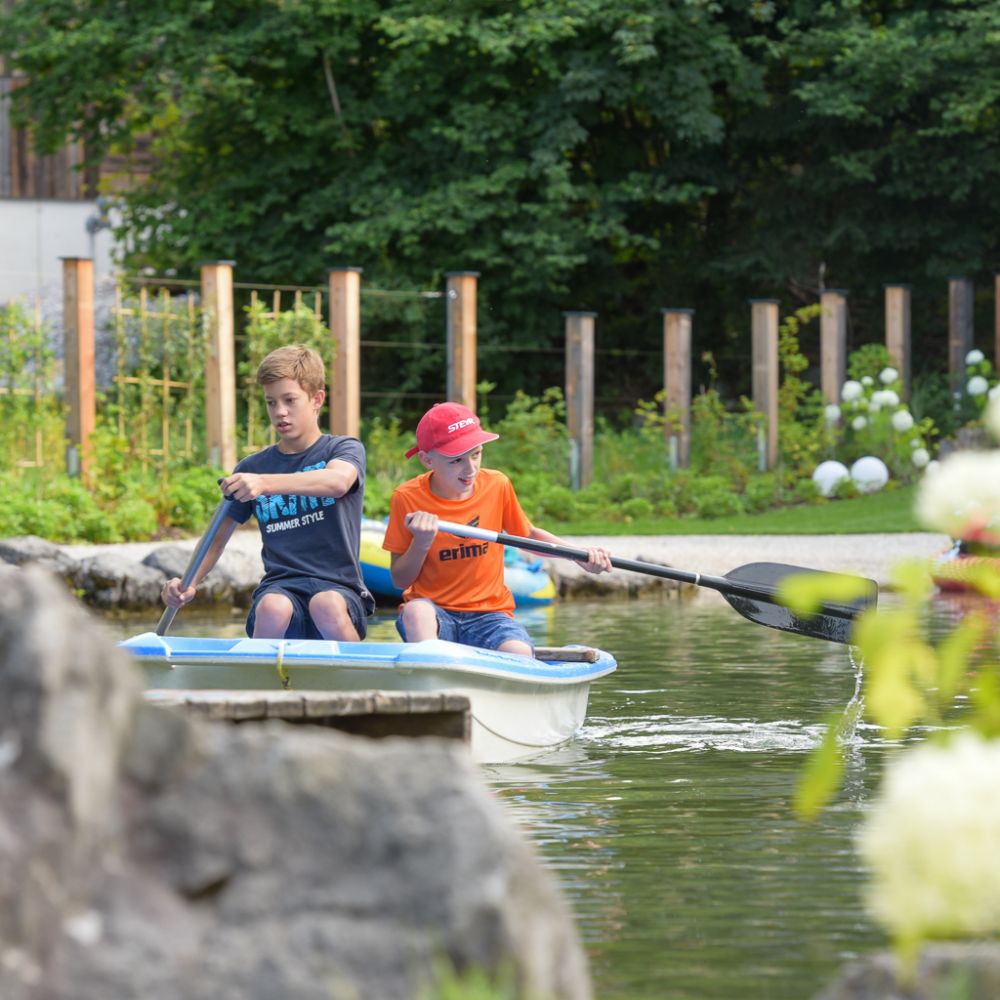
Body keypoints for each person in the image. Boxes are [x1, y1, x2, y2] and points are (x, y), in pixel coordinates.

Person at [161, 344, 374, 640]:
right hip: (281, 586)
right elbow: (216, 538)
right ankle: (262, 684)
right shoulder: (252, 467)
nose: (280, 412)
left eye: (290, 400)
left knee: (325, 604)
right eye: (271, 402)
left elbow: (337, 482)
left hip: (338, 589)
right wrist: (187, 583)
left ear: (317, 400)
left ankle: (358, 681)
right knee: (273, 607)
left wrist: (265, 483)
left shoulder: (343, 448)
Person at [382, 401, 612, 656]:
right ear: (427, 459)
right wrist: (422, 542)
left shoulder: (497, 484)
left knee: (520, 652)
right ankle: (433, 674)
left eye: (476, 454)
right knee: (416, 611)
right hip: (436, 615)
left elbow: (528, 536)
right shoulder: (406, 497)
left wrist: (579, 555)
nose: (470, 469)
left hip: (489, 616)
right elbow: (400, 580)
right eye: (456, 460)